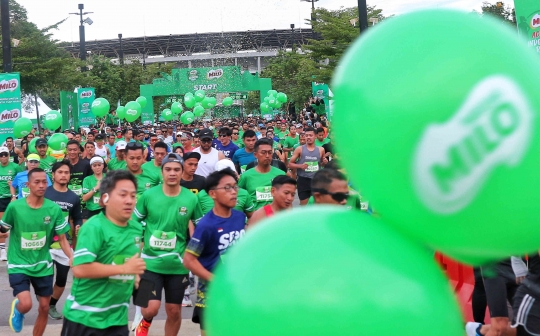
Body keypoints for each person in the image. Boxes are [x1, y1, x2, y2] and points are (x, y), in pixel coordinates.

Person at [61, 170, 146, 336]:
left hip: (118, 319)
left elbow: (130, 264)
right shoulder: (94, 228)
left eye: (133, 195)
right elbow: (80, 269)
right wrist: (124, 269)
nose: (129, 201)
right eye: (122, 195)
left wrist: (137, 280)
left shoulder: (136, 228)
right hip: (84, 319)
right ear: (106, 198)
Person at [133, 153, 203, 336]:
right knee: (149, 309)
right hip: (149, 263)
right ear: (162, 172)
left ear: (182, 172)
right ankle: (143, 320)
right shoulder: (148, 196)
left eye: (176, 170)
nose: (172, 173)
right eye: (168, 169)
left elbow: (201, 228)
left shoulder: (191, 198)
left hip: (177, 265)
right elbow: (133, 224)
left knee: (174, 311)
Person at [1, 168, 72, 335]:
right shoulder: (15, 207)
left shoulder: (53, 209)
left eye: (44, 182)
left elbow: (62, 238)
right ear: (28, 185)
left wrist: (71, 257)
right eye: (37, 182)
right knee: (26, 304)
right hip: (19, 263)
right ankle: (18, 310)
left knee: (45, 307)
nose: (41, 185)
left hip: (43, 265)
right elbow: (3, 229)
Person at [184, 168, 247, 336]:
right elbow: (189, 260)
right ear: (212, 194)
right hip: (210, 296)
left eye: (235, 187)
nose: (234, 192)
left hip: (236, 292)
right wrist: (216, 280)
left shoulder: (240, 217)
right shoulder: (206, 225)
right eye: (227, 188)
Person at [44, 161, 82, 320]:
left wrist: (79, 225)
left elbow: (77, 217)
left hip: (63, 243)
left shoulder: (73, 197)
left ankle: (51, 305)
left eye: (66, 172)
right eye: (60, 172)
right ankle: (43, 305)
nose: (63, 175)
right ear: (53, 174)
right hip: (43, 243)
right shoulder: (45, 193)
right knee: (44, 279)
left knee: (61, 279)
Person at [238, 139, 286, 211]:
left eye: (270, 152)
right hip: (256, 218)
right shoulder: (246, 176)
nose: (267, 156)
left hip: (277, 218)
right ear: (255, 154)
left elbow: (287, 200)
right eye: (263, 152)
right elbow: (240, 197)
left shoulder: (281, 174)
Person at [289, 127, 327, 205]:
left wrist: (324, 162)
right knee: (304, 205)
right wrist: (300, 166)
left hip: (316, 180)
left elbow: (321, 164)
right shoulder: (299, 149)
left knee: (317, 205)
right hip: (303, 180)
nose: (308, 137)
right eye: (306, 135)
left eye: (310, 135)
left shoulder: (321, 150)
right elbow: (290, 164)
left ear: (315, 136)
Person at [0, 146, 22, 260]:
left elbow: (22, 181)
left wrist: (13, 185)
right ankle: (3, 250)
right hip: (1, 199)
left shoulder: (15, 167)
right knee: (2, 225)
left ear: (9, 155)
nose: (3, 157)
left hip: (13, 198)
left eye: (5, 154)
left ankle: (18, 248)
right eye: (1, 155)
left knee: (17, 224)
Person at [82, 156, 106, 221]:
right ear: (91, 167)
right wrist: (95, 188)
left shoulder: (108, 177)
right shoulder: (87, 180)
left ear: (103, 165)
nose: (97, 167)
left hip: (106, 210)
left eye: (99, 165)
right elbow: (84, 198)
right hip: (92, 211)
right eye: (94, 165)